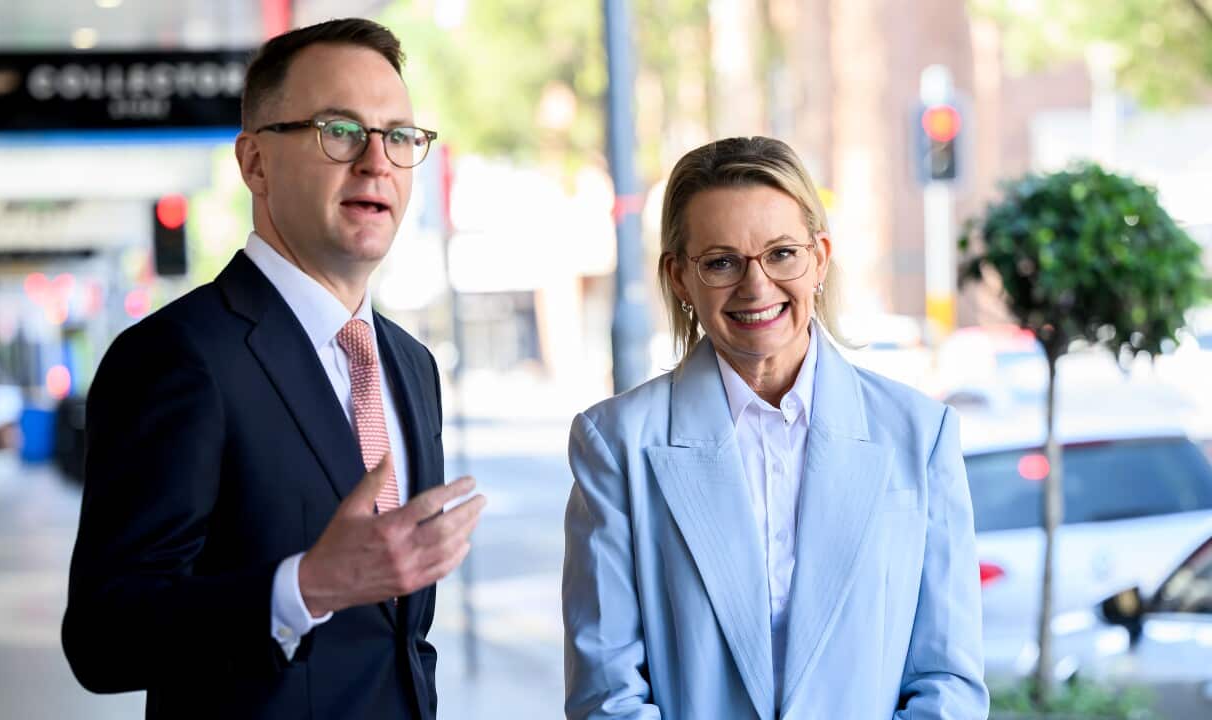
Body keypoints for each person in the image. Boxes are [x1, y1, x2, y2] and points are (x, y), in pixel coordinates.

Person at [63, 19, 485, 719]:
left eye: (399, 136)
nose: (376, 161)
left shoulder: (411, 366)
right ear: (255, 163)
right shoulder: (177, 357)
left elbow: (397, 639)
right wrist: (306, 587)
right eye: (340, 130)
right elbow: (104, 638)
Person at [562, 136, 987, 719]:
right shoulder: (615, 445)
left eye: (782, 253)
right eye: (720, 262)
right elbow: (607, 696)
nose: (755, 286)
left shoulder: (919, 433)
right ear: (680, 279)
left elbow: (948, 678)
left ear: (820, 258)